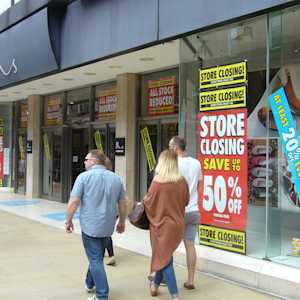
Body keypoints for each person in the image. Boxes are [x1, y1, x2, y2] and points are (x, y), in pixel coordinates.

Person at [65, 149, 127, 300]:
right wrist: (122, 221)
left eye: (86, 159)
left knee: (95, 259)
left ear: (93, 161)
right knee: (96, 256)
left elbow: (74, 201)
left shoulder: (83, 177)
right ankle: (89, 283)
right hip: (107, 227)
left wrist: (68, 220)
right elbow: (123, 203)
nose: (84, 162)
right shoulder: (116, 179)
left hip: (90, 226)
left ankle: (102, 295)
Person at [144, 150, 189, 300]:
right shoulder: (182, 181)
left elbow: (149, 204)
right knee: (164, 256)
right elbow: (186, 201)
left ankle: (175, 295)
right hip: (177, 224)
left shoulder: (157, 182)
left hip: (161, 226)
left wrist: (145, 200)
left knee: (165, 259)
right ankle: (155, 286)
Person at [169, 136, 202, 290]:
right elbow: (199, 185)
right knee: (190, 245)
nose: (169, 149)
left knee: (167, 245)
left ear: (176, 147)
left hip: (177, 211)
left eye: (170, 146)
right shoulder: (196, 163)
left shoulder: (173, 164)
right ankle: (190, 280)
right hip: (194, 209)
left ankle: (161, 277)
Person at [103, 156, 116, 266]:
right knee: (105, 232)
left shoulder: (104, 178)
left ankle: (111, 255)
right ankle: (106, 253)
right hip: (113, 210)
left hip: (105, 210)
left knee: (104, 234)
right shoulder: (115, 178)